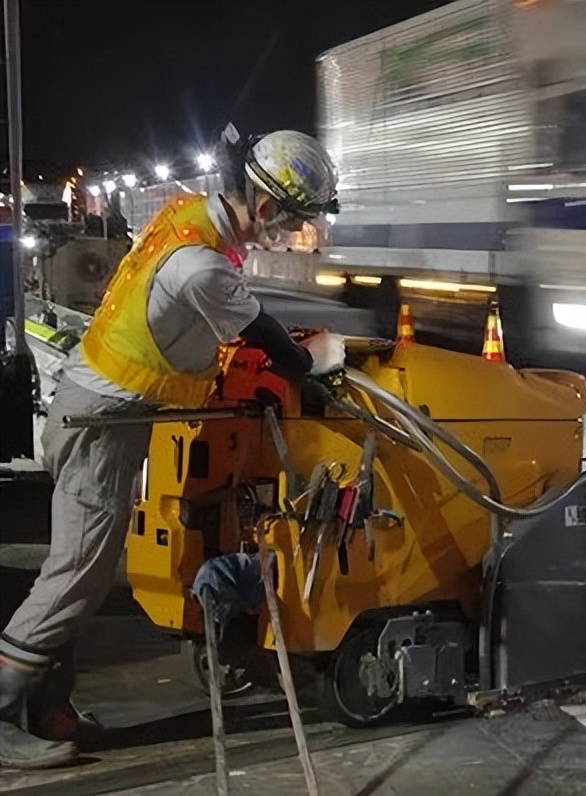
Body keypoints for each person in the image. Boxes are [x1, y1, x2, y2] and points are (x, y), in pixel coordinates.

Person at [0, 125, 345, 769]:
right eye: (294, 221)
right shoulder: (204, 265)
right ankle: (3, 710)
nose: (296, 234)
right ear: (266, 208)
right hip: (100, 423)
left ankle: (48, 711)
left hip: (102, 412)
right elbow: (275, 343)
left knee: (80, 569)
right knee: (76, 574)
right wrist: (313, 366)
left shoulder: (186, 216)